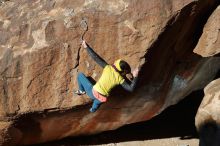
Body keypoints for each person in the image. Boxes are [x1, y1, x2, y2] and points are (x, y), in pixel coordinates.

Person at [75, 40, 139, 112]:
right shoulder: (120, 79)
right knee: (96, 103)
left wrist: (86, 47)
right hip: (102, 98)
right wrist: (135, 76)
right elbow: (130, 89)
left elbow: (96, 58)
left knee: (80, 75)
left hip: (93, 93)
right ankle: (93, 109)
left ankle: (81, 91)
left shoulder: (108, 68)